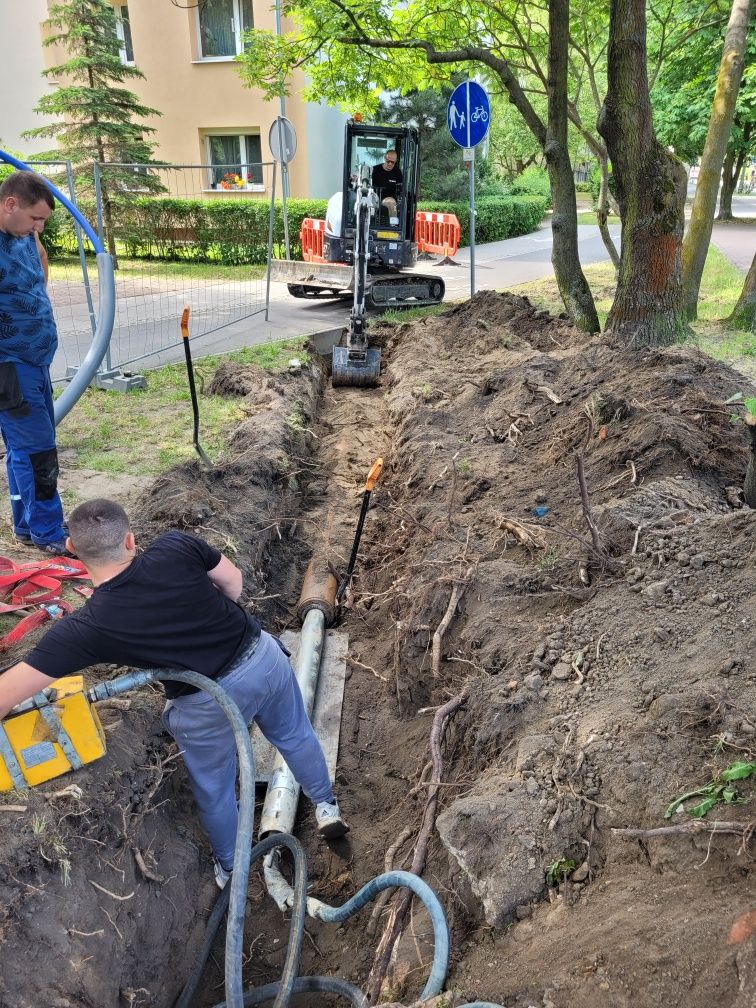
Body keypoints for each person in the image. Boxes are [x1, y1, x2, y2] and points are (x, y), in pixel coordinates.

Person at [0, 498, 348, 888]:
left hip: (207, 702)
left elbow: (8, 692)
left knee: (216, 788)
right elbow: (233, 583)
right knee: (295, 735)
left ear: (71, 551)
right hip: (263, 658)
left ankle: (233, 867)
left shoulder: (87, 628)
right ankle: (325, 806)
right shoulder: (175, 545)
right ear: (131, 540)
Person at [0, 171, 70, 556]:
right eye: (35, 218)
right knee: (38, 449)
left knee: (25, 449)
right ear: (10, 204)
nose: (39, 227)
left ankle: (27, 526)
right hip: (9, 365)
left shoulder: (25, 234)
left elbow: (39, 258)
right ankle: (49, 533)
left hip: (36, 359)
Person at [371, 149, 403, 224]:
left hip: (390, 197)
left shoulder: (397, 172)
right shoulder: (375, 170)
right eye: (388, 161)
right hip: (375, 197)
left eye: (393, 162)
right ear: (384, 158)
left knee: (390, 203)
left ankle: (393, 226)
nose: (390, 164)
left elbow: (400, 187)